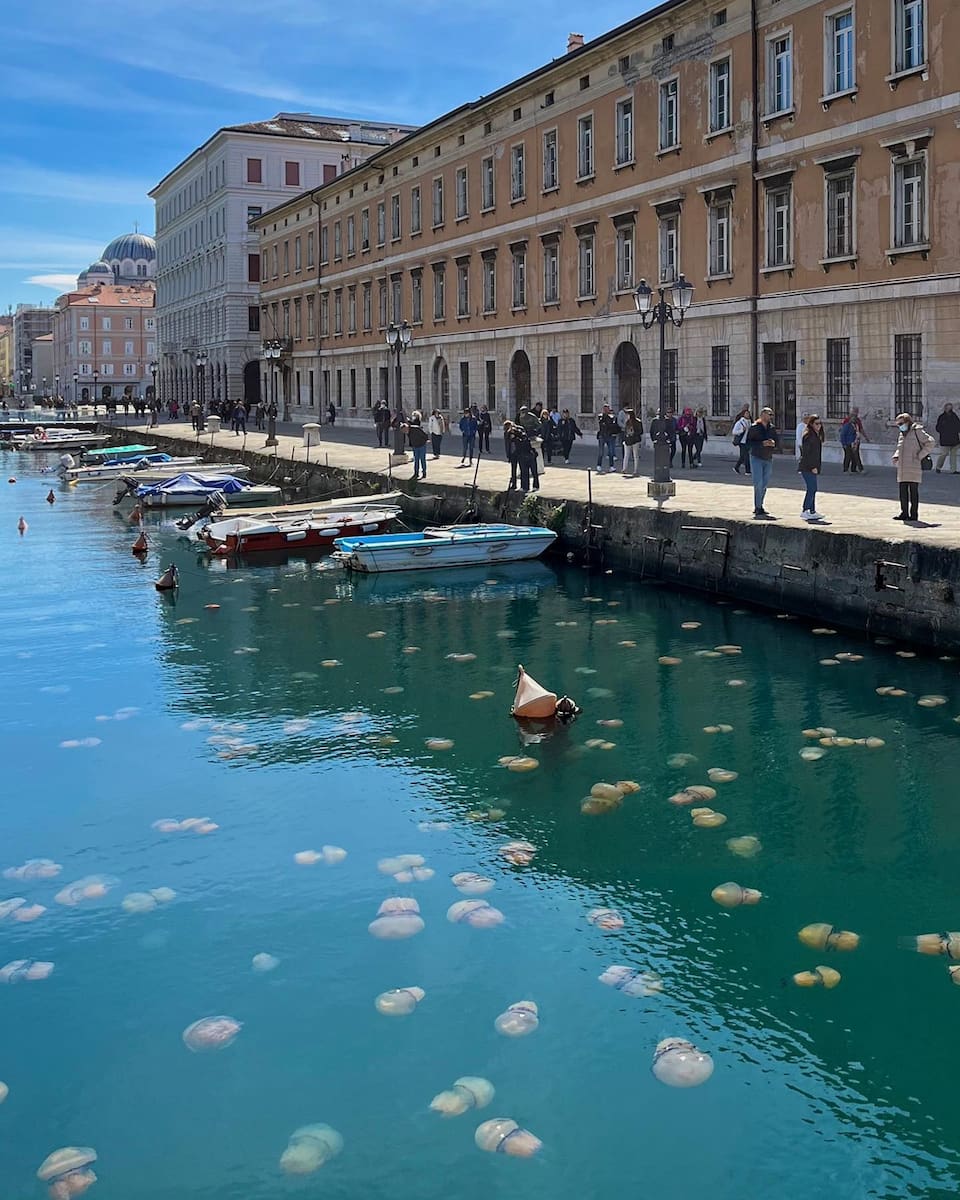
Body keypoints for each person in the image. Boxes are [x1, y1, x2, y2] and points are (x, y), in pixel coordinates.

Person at [892, 412, 935, 522]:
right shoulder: (902, 434)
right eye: (898, 424)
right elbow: (899, 447)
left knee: (913, 492)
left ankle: (914, 514)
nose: (899, 426)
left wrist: (920, 455)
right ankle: (904, 513)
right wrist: (896, 456)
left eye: (901, 423)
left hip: (914, 465)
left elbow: (930, 442)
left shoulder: (917, 431)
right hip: (902, 466)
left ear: (907, 422)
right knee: (902, 492)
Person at [746, 406, 780, 517]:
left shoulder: (772, 428)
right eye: (769, 414)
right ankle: (758, 507)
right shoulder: (754, 427)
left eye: (772, 415)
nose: (771, 416)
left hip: (768, 458)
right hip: (756, 457)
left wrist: (773, 443)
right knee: (758, 483)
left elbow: (777, 441)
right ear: (762, 415)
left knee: (765, 483)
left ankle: (760, 504)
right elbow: (748, 443)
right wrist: (762, 443)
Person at [797, 414, 824, 521]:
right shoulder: (808, 436)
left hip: (813, 466)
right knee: (812, 488)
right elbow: (807, 453)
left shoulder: (816, 435)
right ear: (811, 424)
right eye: (816, 424)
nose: (819, 426)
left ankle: (812, 511)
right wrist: (813, 466)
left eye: (820, 424)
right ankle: (805, 510)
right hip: (807, 467)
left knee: (813, 488)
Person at [934, 403, 960, 473]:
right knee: (944, 454)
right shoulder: (942, 417)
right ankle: (938, 467)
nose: (949, 409)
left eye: (950, 408)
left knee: (953, 455)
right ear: (945, 409)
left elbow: (958, 426)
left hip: (954, 439)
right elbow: (938, 428)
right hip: (945, 439)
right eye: (948, 408)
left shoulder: (954, 416)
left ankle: (953, 470)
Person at [405, 410, 428, 479]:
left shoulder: (416, 427)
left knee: (422, 459)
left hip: (421, 444)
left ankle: (423, 472)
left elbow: (424, 435)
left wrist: (425, 440)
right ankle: (416, 472)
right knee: (416, 460)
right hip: (416, 445)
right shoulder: (409, 431)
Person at [596, 405, 619, 473]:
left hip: (610, 436)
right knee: (601, 452)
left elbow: (612, 425)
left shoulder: (612, 416)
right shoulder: (601, 416)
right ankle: (599, 465)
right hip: (602, 436)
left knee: (611, 452)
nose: (606, 410)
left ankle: (611, 466)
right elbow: (601, 423)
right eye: (605, 409)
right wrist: (605, 417)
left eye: (607, 409)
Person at [621, 409, 643, 477]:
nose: (626, 416)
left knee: (635, 455)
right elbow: (625, 431)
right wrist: (625, 437)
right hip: (628, 440)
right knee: (626, 455)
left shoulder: (638, 422)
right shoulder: (627, 422)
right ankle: (624, 469)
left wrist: (634, 433)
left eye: (627, 414)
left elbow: (641, 431)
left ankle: (635, 470)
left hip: (635, 440)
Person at [731, 406, 751, 474]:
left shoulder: (750, 422)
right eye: (746, 413)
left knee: (743, 456)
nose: (748, 415)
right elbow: (734, 432)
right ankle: (748, 471)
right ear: (743, 414)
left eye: (748, 413)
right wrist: (742, 430)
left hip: (748, 441)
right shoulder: (740, 422)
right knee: (746, 456)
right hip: (742, 441)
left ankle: (736, 467)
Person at [847, 407, 867, 472]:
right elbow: (844, 432)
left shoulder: (858, 421)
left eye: (856, 412)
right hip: (850, 441)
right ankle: (860, 468)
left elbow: (861, 429)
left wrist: (866, 437)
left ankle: (853, 468)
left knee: (854, 455)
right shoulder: (847, 421)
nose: (856, 414)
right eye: (854, 412)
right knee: (853, 455)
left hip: (856, 440)